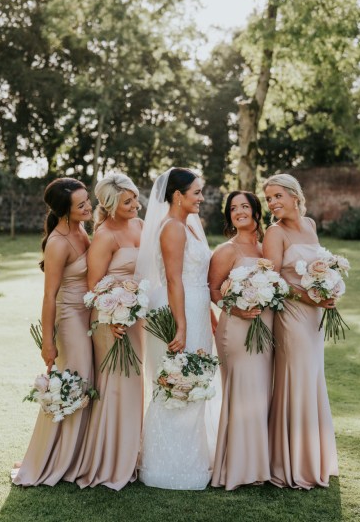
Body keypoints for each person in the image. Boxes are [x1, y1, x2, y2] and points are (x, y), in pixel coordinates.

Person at [136, 168, 214, 490]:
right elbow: (172, 279)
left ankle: (191, 457)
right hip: (178, 308)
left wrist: (206, 314)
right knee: (177, 380)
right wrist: (180, 326)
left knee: (194, 379)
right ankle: (165, 466)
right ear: (178, 195)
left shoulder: (189, 226)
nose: (201, 197)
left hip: (195, 305)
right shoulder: (172, 228)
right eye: (196, 192)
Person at [12, 177, 93, 486]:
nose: (89, 207)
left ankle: (80, 452)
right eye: (82, 204)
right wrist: (48, 342)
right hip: (70, 319)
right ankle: (59, 458)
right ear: (64, 210)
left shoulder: (80, 228)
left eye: (88, 200)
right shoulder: (58, 243)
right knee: (76, 384)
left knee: (85, 383)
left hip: (88, 316)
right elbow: (49, 297)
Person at [263, 173, 338, 489]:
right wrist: (307, 295)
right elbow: (274, 282)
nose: (273, 203)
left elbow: (320, 266)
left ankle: (312, 456)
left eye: (278, 196)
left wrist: (328, 287)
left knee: (312, 378)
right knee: (296, 380)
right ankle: (290, 462)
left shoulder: (309, 226)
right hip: (292, 316)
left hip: (314, 318)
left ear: (295, 196)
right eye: (269, 198)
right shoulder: (274, 233)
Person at [76, 173, 144, 491]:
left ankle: (132, 454)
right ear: (111, 205)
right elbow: (94, 286)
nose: (135, 205)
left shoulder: (140, 226)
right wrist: (114, 315)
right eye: (127, 202)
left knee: (134, 386)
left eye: (134, 198)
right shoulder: (104, 235)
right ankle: (110, 459)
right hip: (110, 320)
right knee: (116, 387)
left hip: (136, 319)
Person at [209, 191, 273, 490]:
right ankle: (235, 468)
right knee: (242, 394)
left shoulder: (266, 248)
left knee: (259, 395)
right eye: (233, 209)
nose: (239, 212)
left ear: (256, 212)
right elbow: (213, 291)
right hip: (236, 330)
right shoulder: (226, 250)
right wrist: (235, 308)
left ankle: (257, 465)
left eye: (244, 206)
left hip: (265, 330)